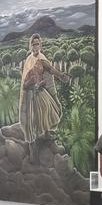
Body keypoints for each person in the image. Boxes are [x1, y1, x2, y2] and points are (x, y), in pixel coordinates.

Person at [19, 33, 71, 163]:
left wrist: (61, 76)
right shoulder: (28, 60)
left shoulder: (42, 58)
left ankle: (47, 136)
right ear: (30, 45)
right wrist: (30, 83)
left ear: (40, 45)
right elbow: (25, 81)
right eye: (33, 44)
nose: (35, 46)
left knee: (48, 112)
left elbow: (51, 70)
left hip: (39, 93)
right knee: (32, 122)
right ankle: (33, 152)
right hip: (29, 96)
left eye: (37, 44)